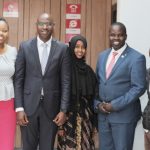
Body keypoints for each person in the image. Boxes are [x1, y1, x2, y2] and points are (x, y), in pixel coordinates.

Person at [14, 13, 71, 150]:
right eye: (41, 24)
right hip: (28, 108)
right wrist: (19, 108)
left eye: (49, 24)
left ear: (53, 26)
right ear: (36, 26)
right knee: (28, 147)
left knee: (47, 147)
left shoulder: (63, 49)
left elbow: (66, 82)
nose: (45, 27)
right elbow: (18, 79)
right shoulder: (25, 47)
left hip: (52, 109)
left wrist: (63, 110)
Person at [94, 22, 146, 150]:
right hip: (103, 117)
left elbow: (138, 87)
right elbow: (97, 83)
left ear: (126, 36)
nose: (116, 38)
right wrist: (97, 104)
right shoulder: (102, 56)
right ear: (109, 36)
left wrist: (115, 105)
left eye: (120, 35)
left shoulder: (136, 57)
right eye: (112, 35)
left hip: (124, 117)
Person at [57, 35, 98, 150]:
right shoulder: (64, 69)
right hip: (67, 118)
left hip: (86, 118)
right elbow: (59, 96)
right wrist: (60, 126)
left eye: (83, 47)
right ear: (71, 48)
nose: (80, 50)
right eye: (77, 47)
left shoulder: (89, 71)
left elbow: (93, 97)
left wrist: (94, 123)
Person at [0, 17, 17, 150]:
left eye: (4, 30)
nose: (1, 33)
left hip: (8, 102)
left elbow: (18, 77)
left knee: (6, 140)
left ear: (8, 33)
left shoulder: (13, 51)